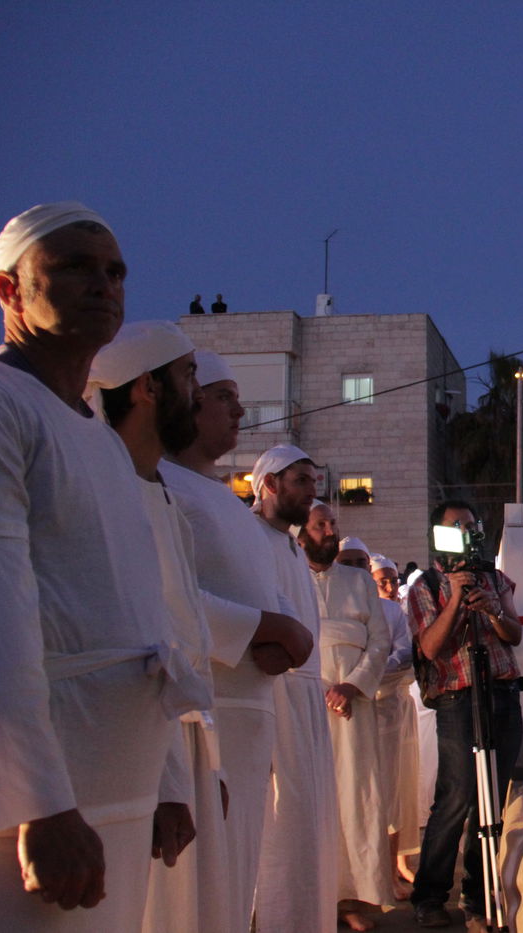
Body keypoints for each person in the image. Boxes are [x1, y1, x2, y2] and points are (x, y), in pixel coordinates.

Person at [0, 202, 204, 930]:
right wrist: (37, 804)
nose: (104, 285)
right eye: (75, 266)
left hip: (116, 791)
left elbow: (143, 624)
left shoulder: (99, 439)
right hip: (19, 817)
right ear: (8, 289)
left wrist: (167, 777)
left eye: (115, 271)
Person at [83, 321, 229, 933]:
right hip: (125, 753)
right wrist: (172, 780)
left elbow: (183, 632)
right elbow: (144, 645)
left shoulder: (158, 491)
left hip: (182, 740)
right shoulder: (99, 483)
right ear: (147, 388)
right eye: (189, 376)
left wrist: (207, 764)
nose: (198, 393)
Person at [161, 352, 313, 929]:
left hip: (251, 720)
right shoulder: (158, 485)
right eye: (224, 396)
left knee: (233, 884)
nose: (239, 409)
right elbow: (162, 599)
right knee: (193, 897)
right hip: (202, 722)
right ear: (185, 399)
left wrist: (279, 637)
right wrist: (264, 629)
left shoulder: (219, 499)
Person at [409, 501, 523, 928]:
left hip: (503, 693)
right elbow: (432, 648)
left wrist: (491, 607)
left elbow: (513, 634)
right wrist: (456, 597)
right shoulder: (425, 584)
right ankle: (430, 896)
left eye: (472, 525)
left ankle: (478, 898)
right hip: (457, 700)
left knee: (491, 799)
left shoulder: (496, 578)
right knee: (456, 798)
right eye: (456, 526)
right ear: (438, 535)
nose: (466, 532)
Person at [300, 507, 410, 929]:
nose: (330, 532)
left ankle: (354, 899)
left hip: (356, 705)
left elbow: (380, 643)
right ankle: (314, 898)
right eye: (321, 525)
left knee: (357, 798)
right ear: (302, 534)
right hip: (305, 703)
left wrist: (350, 687)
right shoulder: (287, 576)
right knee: (311, 802)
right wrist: (320, 689)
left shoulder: (360, 582)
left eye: (333, 526)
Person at [252, 445, 339, 933]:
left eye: (314, 480)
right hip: (274, 699)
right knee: (280, 831)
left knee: (310, 831)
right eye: (302, 480)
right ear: (269, 484)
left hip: (306, 705)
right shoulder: (248, 536)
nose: (312, 491)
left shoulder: (289, 545)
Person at [367, 552, 422, 896]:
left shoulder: (397, 614)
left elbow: (407, 655)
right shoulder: (364, 617)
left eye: (392, 579)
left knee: (403, 788)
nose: (390, 586)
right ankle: (381, 871)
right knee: (381, 793)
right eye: (382, 581)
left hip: (400, 708)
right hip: (371, 713)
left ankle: (400, 862)